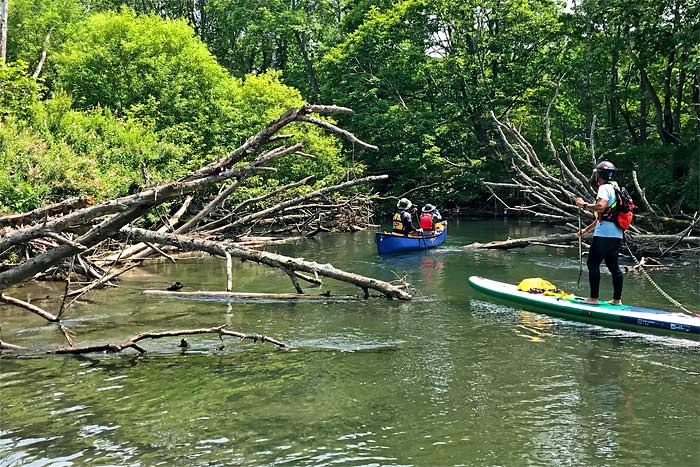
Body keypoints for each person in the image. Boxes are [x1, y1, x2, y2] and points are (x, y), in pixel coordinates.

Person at [575, 161, 624, 305]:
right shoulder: (616, 189)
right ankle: (617, 300)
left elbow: (601, 208)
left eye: (596, 173)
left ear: (600, 175)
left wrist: (583, 204)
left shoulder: (604, 188)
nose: (595, 175)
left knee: (592, 264)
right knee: (614, 267)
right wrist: (586, 230)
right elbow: (605, 216)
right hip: (616, 234)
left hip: (603, 235)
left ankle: (593, 299)